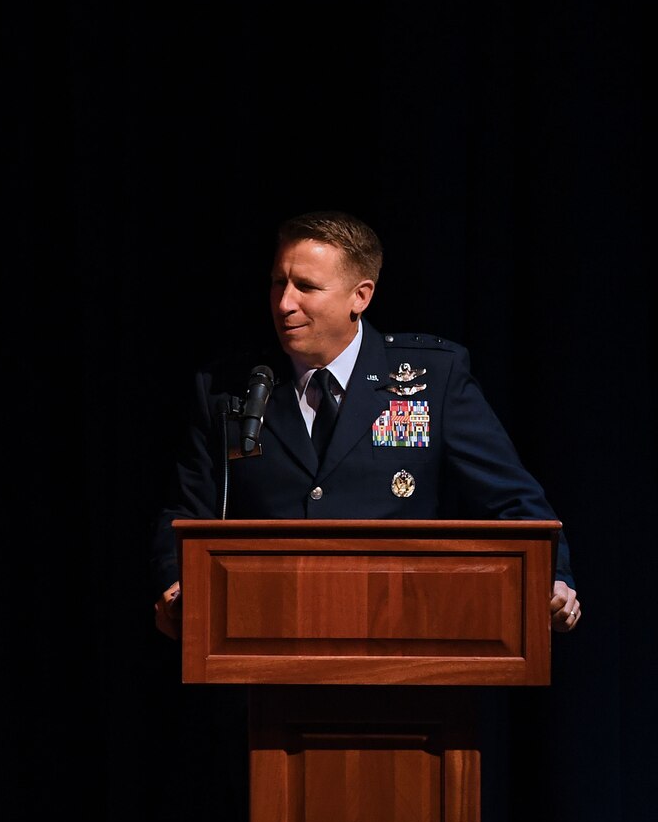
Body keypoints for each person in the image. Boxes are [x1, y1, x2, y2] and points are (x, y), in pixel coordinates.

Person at [152, 210, 581, 638]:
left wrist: (554, 578)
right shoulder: (227, 387)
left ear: (360, 296)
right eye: (278, 283)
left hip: (403, 634)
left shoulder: (432, 381)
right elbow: (187, 511)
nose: (284, 303)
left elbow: (513, 502)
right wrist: (175, 584)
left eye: (306, 287)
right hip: (263, 634)